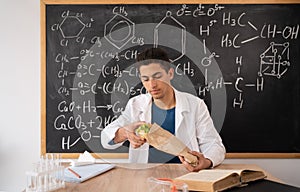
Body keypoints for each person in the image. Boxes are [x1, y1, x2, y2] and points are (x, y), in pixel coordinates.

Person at [101, 47, 225, 171]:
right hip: (145, 174)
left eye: (157, 76)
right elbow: (106, 138)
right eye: (146, 79)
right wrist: (124, 133)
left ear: (170, 73)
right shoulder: (136, 104)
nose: (152, 85)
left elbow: (214, 144)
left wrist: (207, 162)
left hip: (185, 172)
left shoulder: (195, 105)